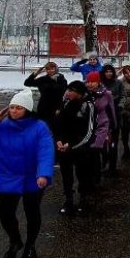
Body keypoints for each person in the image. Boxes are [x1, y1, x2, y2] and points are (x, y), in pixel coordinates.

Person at [0, 89, 55, 258]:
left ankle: (30, 246)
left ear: (27, 110)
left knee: (32, 213)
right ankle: (15, 240)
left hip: (32, 177)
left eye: (19, 108)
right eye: (12, 107)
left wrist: (43, 174)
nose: (14, 111)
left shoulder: (39, 126)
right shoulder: (1, 126)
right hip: (8, 176)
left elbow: (45, 151)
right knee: (5, 213)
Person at [52, 81, 96, 215]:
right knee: (66, 175)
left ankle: (84, 200)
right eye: (68, 90)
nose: (68, 93)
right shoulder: (66, 103)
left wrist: (72, 146)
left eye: (71, 91)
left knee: (83, 174)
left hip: (81, 147)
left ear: (79, 93)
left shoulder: (88, 105)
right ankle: (68, 200)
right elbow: (58, 125)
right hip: (64, 147)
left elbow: (90, 131)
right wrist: (58, 140)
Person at [85, 71, 116, 182]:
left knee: (96, 150)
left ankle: (97, 175)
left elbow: (111, 110)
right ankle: (91, 174)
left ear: (98, 82)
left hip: (102, 126)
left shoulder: (106, 94)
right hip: (88, 127)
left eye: (93, 81)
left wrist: (113, 127)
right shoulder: (85, 94)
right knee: (89, 152)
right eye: (88, 82)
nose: (90, 84)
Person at [100, 64, 125, 176]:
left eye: (111, 71)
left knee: (113, 142)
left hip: (115, 115)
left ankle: (113, 166)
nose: (109, 73)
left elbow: (123, 96)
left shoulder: (118, 83)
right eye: (107, 71)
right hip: (102, 116)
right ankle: (104, 162)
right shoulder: (100, 84)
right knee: (102, 142)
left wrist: (120, 105)